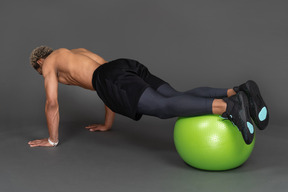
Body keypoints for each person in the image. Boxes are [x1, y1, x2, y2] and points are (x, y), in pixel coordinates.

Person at [28, 46, 269, 147]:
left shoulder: (49, 62)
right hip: (123, 66)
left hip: (110, 78)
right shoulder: (75, 52)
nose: (49, 77)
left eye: (42, 74)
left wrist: (52, 139)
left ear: (40, 61)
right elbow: (106, 79)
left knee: (164, 107)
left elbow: (52, 102)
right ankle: (240, 90)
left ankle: (228, 107)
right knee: (174, 96)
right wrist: (108, 123)